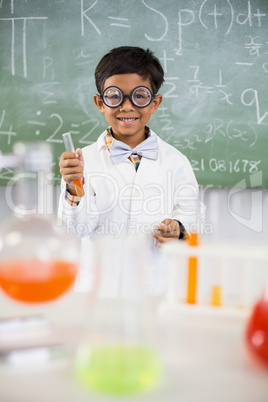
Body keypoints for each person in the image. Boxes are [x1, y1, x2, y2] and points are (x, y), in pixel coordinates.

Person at [58, 46, 203, 292]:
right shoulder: (81, 162)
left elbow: (193, 215)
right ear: (100, 102)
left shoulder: (176, 162)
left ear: (154, 103)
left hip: (155, 289)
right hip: (99, 290)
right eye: (114, 96)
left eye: (140, 96)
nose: (127, 106)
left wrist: (179, 228)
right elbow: (75, 230)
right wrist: (74, 186)